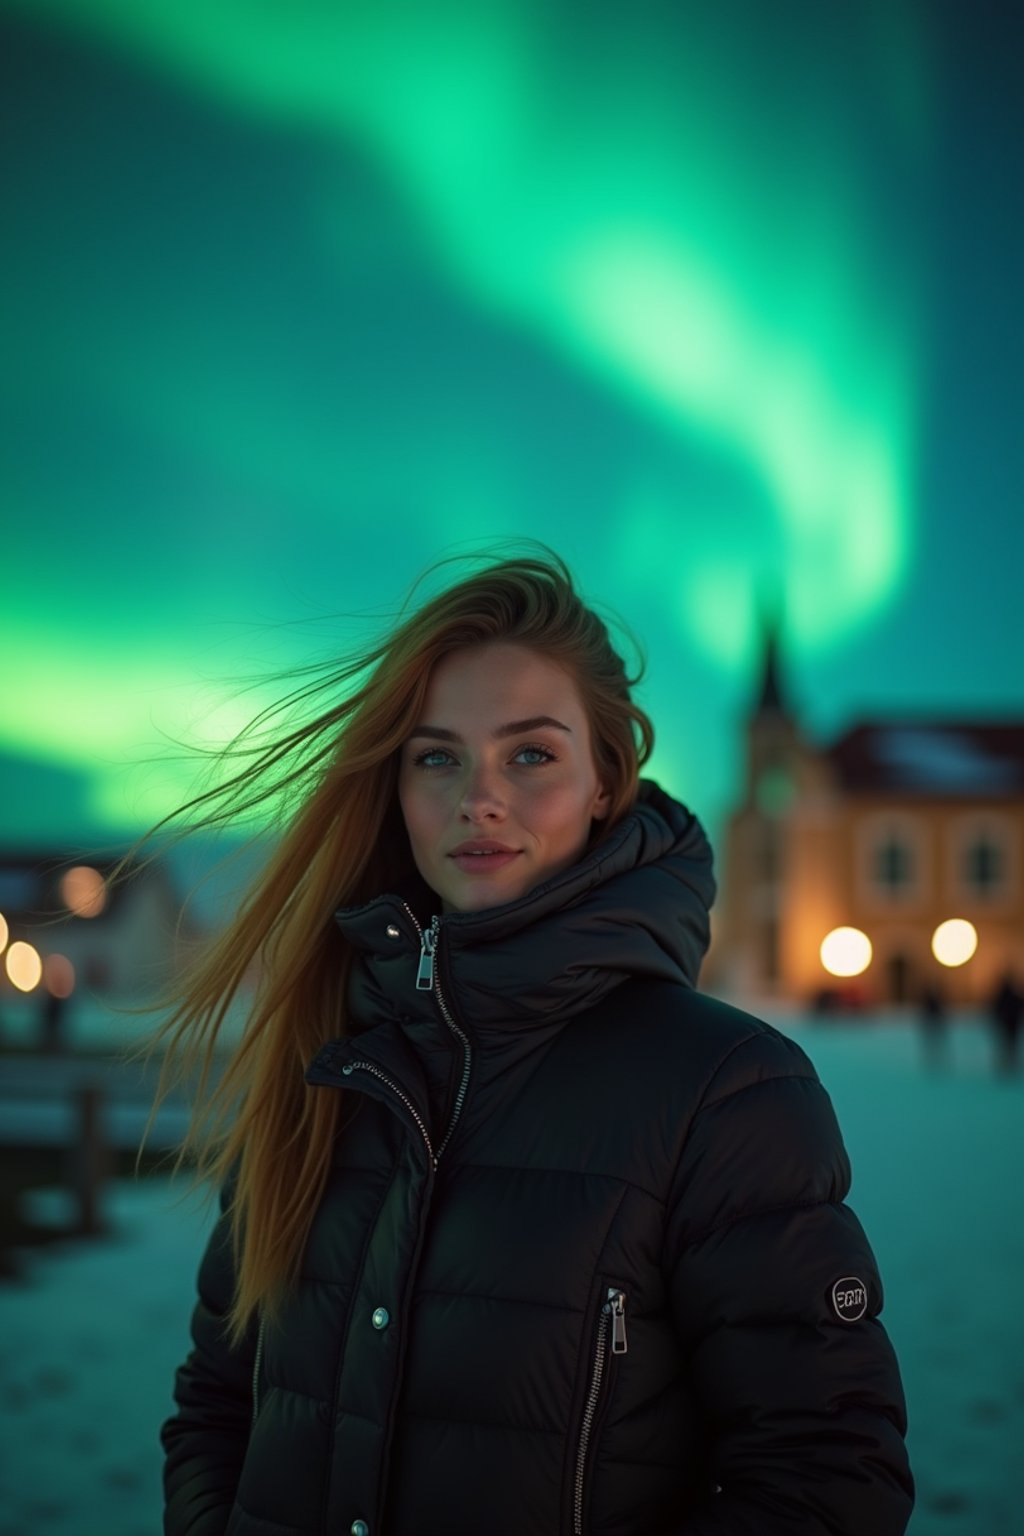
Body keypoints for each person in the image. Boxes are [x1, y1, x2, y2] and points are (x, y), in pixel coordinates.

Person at [155, 553, 913, 1536]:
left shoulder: (726, 1092)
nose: (479, 797)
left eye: (530, 755)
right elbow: (217, 1405)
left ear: (607, 779)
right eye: (436, 756)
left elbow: (825, 1478)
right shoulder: (334, 1063)